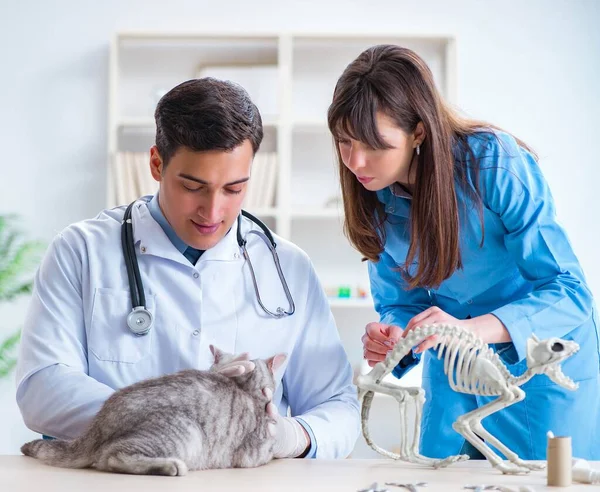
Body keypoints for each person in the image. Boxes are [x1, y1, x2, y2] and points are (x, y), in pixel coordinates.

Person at [16, 78, 359, 460]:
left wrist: (293, 435)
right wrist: (178, 422)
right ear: (156, 164)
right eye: (194, 187)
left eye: (234, 189)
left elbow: (339, 407)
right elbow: (42, 389)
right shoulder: (81, 251)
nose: (213, 212)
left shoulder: (287, 267)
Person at [327, 44, 599, 460]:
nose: (356, 162)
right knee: (436, 475)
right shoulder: (374, 199)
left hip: (540, 370)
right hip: (455, 375)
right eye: (345, 142)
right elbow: (400, 303)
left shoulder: (494, 163)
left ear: (418, 131)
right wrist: (396, 337)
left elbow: (569, 291)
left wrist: (470, 330)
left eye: (374, 145)